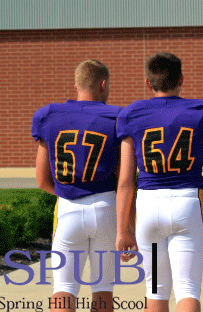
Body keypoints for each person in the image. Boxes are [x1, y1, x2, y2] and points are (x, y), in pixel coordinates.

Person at [116, 52, 203, 312]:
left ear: (148, 82)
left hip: (148, 207)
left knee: (155, 289)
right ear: (181, 79)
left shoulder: (132, 114)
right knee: (187, 289)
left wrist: (123, 229)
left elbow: (125, 181)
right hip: (186, 204)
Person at [32, 59, 122, 312]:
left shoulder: (48, 115)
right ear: (103, 85)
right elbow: (123, 178)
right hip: (106, 206)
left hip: (68, 208)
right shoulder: (116, 116)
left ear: (76, 84)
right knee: (103, 289)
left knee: (63, 289)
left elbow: (42, 180)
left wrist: (68, 193)